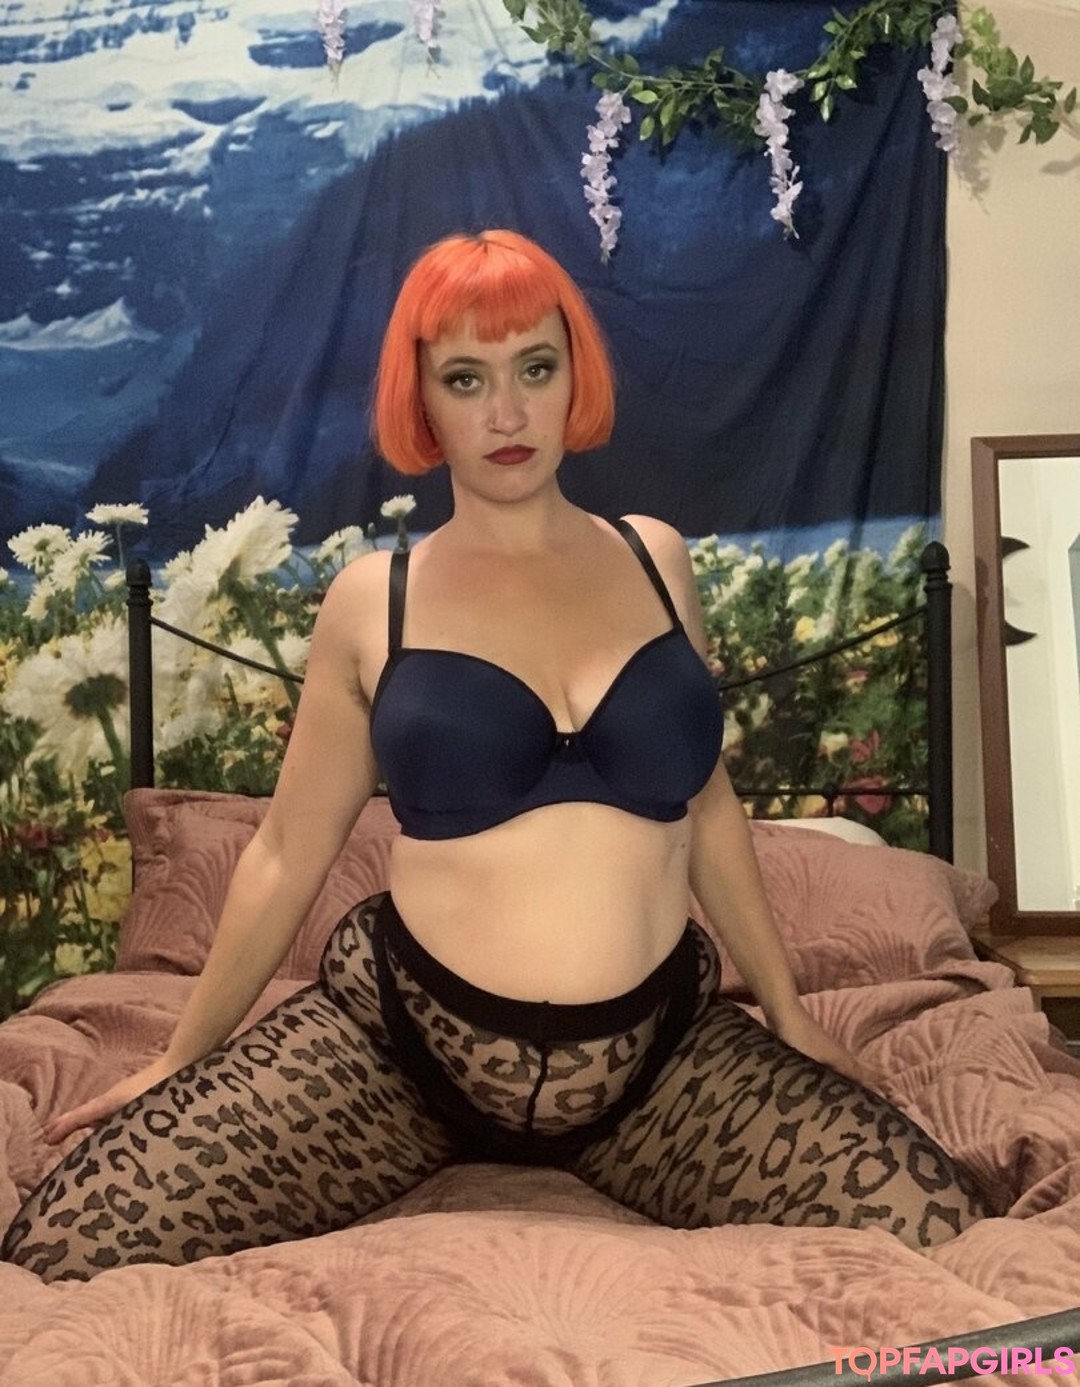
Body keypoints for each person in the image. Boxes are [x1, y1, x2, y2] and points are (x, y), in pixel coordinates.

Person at [2, 230, 990, 1283]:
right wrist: (179, 1054)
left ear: (576, 378)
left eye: (535, 368)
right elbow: (286, 853)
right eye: (467, 379)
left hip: (655, 1065)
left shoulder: (655, 560)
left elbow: (706, 806)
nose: (508, 414)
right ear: (425, 402)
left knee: (947, 1232)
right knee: (68, 1241)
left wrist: (788, 1010)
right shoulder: (374, 602)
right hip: (402, 1055)